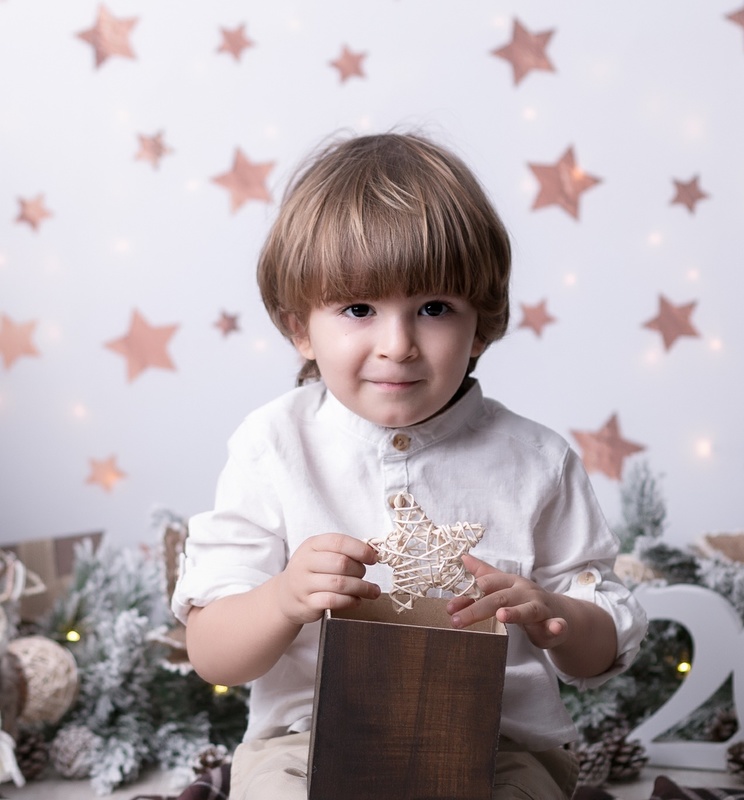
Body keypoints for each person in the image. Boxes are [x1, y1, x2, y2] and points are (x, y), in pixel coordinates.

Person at [171, 131, 648, 800]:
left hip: (495, 746)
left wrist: (553, 615)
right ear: (300, 328)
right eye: (359, 309)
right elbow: (212, 652)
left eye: (432, 309)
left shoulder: (536, 461)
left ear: (480, 325)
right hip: (303, 748)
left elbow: (600, 655)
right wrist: (281, 598)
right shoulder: (272, 445)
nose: (397, 346)